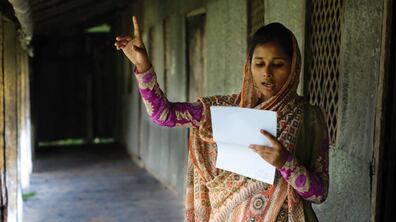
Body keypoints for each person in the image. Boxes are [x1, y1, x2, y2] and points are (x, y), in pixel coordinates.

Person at [115, 16, 329, 222]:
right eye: (259, 63)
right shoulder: (224, 111)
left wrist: (286, 163)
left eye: (278, 64)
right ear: (249, 66)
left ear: (293, 67)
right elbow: (164, 115)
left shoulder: (310, 118)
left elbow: (319, 194)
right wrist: (143, 66)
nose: (267, 73)